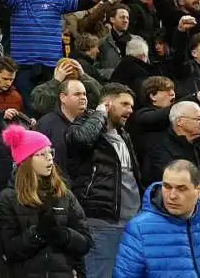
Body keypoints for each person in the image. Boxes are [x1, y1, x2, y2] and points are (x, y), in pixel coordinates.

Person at [65, 83, 141, 278]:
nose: (130, 110)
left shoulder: (124, 135)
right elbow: (80, 141)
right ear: (107, 104)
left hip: (130, 222)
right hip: (101, 221)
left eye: (131, 106)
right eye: (124, 104)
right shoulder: (83, 126)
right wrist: (99, 114)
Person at [0, 125, 91, 278]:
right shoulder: (7, 198)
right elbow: (9, 250)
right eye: (41, 154)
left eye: (50, 152)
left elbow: (85, 243)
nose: (49, 158)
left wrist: (63, 235)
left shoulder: (64, 194)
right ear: (26, 161)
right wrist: (38, 234)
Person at [115, 160, 200, 277]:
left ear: (199, 190)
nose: (172, 196)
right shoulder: (139, 228)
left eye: (181, 188)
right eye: (167, 186)